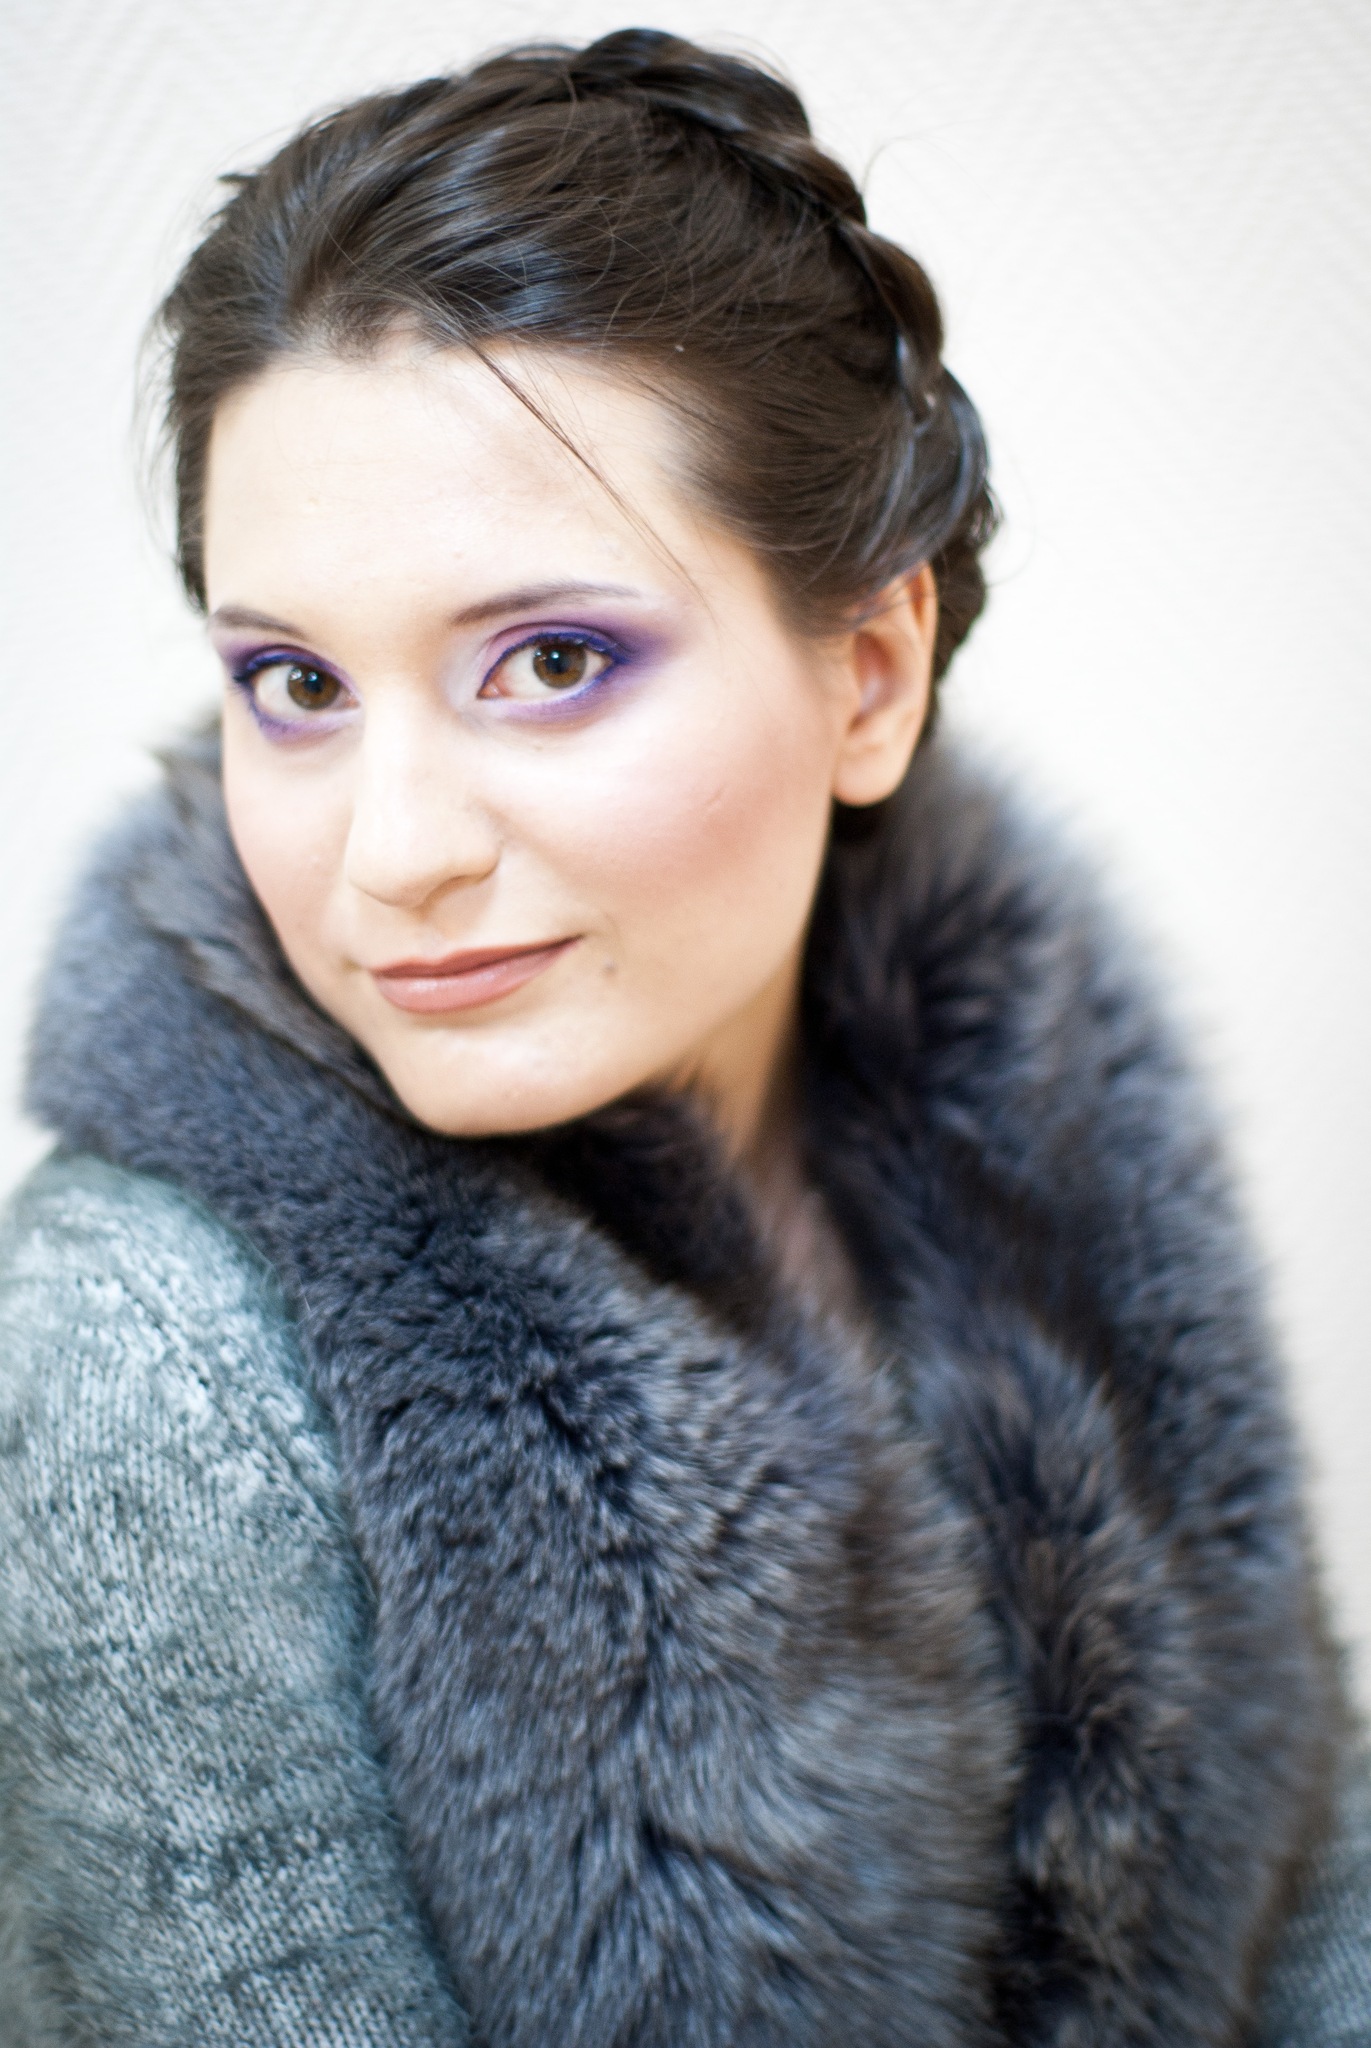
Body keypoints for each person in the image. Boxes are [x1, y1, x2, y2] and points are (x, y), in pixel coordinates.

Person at [0, 28, 1366, 2047]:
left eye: (549, 659)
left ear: (868, 674)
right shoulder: (147, 1355)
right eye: (294, 685)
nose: (392, 852)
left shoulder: (1069, 1154)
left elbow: (1313, 1895)